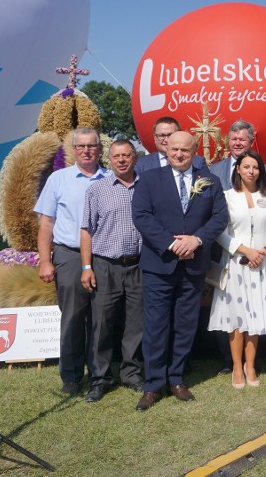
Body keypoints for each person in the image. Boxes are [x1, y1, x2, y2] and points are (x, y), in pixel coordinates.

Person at [131, 131, 228, 411]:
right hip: (159, 264)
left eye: (185, 150)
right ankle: (153, 384)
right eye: (174, 149)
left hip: (194, 264)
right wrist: (171, 244)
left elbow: (219, 217)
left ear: (194, 150)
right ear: (166, 149)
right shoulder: (149, 179)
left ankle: (176, 378)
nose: (179, 154)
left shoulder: (209, 181)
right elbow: (141, 215)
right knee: (156, 325)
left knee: (185, 325)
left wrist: (196, 240)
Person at [35, 127, 109, 395]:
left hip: (103, 256)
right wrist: (45, 261)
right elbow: (46, 224)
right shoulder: (59, 179)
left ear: (100, 148)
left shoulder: (110, 178)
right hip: (69, 254)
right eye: (81, 147)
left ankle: (99, 374)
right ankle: (72, 375)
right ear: (73, 150)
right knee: (73, 317)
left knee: (101, 319)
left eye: (92, 146)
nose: (87, 151)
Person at [208, 150, 266, 389]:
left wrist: (264, 250)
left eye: (255, 167)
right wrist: (245, 250)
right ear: (237, 170)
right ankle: (236, 367)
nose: (251, 171)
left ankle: (251, 365)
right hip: (236, 265)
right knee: (237, 318)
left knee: (256, 318)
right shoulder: (226, 197)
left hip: (262, 266)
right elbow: (220, 232)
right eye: (246, 166)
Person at [79, 139, 144, 402]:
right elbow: (86, 230)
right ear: (109, 159)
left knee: (136, 324)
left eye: (126, 155)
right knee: (102, 324)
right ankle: (100, 378)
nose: (121, 160)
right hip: (105, 265)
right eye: (116, 156)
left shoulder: (146, 187)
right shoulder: (97, 190)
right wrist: (86, 267)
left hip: (139, 265)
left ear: (134, 158)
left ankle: (131, 373)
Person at [210, 119, 266, 194]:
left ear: (252, 142)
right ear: (228, 141)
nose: (237, 143)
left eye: (242, 140)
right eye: (234, 139)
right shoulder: (215, 170)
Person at [134, 116, 206, 174]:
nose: (166, 140)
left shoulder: (197, 162)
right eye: (162, 135)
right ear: (155, 138)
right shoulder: (141, 164)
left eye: (170, 135)